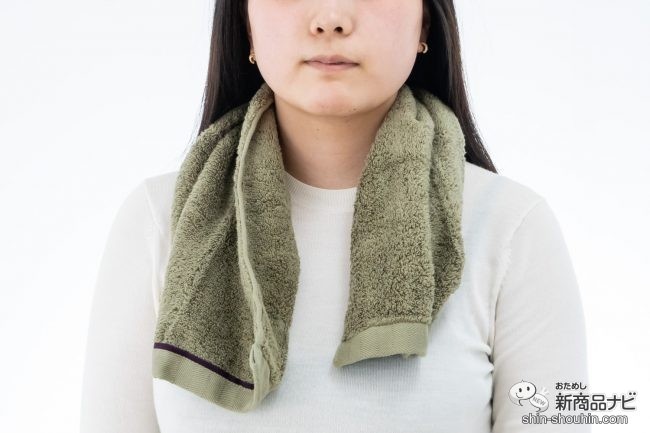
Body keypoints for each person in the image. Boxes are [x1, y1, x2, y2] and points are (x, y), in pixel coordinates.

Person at [80, 1, 589, 432]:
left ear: (426, 23)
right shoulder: (158, 222)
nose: (330, 18)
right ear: (245, 23)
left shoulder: (513, 228)